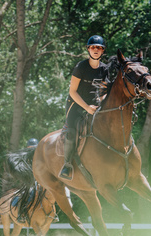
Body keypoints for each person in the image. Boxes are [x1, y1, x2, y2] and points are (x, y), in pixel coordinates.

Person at [59, 35, 109, 180]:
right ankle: (67, 165)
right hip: (76, 104)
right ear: (88, 49)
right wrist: (87, 108)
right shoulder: (81, 67)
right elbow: (72, 91)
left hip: (94, 104)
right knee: (72, 131)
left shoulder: (105, 69)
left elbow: (103, 92)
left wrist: (101, 101)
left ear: (102, 51)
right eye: (93, 47)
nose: (96, 50)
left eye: (99, 48)